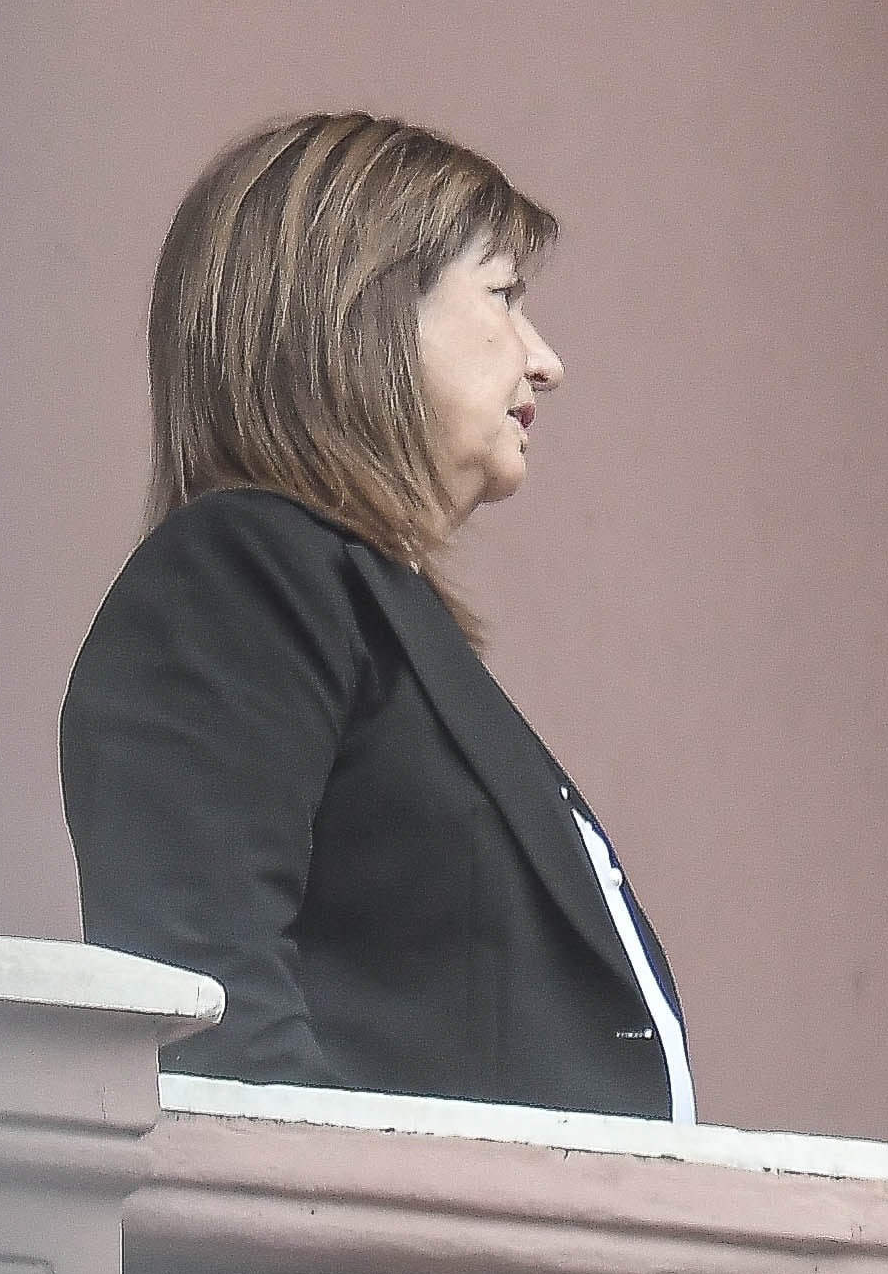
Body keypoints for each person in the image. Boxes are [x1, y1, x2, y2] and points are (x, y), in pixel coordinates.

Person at [64, 112, 694, 1121]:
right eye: (502, 297)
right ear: (373, 312)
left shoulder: (364, 608)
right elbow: (206, 1010)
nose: (546, 362)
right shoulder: (246, 575)